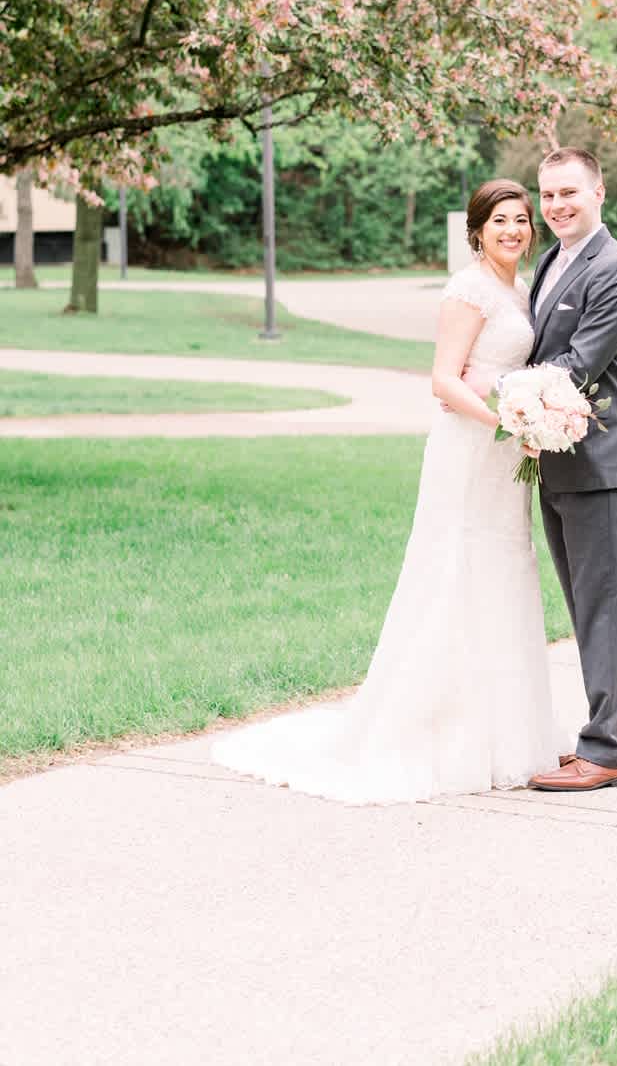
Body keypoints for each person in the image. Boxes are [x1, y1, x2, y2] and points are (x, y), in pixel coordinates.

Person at [212, 180, 561, 803]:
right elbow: (443, 380)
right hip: (470, 447)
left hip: (506, 453)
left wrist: (528, 415)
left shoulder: (520, 289)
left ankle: (506, 732)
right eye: (500, 221)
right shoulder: (470, 289)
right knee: (457, 569)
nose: (513, 231)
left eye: (521, 220)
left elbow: (506, 370)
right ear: (477, 230)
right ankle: (440, 729)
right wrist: (505, 420)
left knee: (504, 569)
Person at [525, 147, 617, 792]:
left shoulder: (616, 270)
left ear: (599, 192)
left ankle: (604, 752)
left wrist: (502, 393)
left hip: (599, 465)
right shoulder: (552, 260)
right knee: (590, 605)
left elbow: (578, 365)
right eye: (548, 195)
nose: (556, 206)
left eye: (569, 192)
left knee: (601, 606)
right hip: (555, 460)